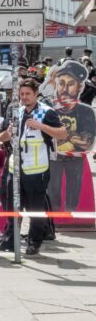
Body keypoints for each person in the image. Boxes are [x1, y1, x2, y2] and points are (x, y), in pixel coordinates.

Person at [0, 79, 67, 255]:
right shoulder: (16, 112)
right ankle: (11, 239)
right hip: (15, 169)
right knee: (11, 206)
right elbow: (7, 136)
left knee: (35, 209)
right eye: (22, 94)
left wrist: (40, 126)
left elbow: (63, 133)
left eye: (28, 94)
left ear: (36, 94)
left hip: (36, 170)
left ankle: (35, 241)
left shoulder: (46, 112)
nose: (24, 97)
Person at [48, 61, 96, 212]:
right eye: (61, 83)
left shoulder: (86, 111)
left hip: (75, 160)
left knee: (73, 197)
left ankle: (71, 220)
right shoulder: (48, 108)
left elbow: (87, 143)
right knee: (52, 194)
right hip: (52, 158)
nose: (65, 89)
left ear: (80, 87)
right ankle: (53, 224)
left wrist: (61, 134)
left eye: (71, 84)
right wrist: (72, 137)